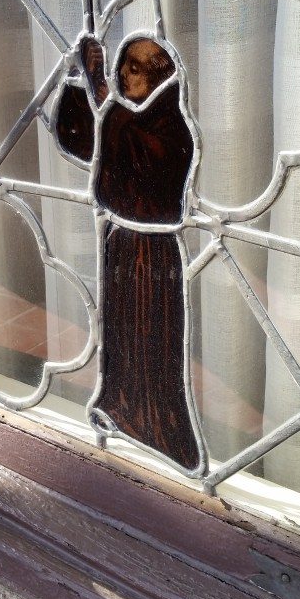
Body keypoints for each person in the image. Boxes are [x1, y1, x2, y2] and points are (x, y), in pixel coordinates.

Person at [55, 35, 202, 472]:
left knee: (151, 340)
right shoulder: (128, 118)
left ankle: (159, 429)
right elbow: (87, 143)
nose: (123, 76)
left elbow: (140, 154)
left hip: (153, 254)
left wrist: (101, 90)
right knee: (121, 336)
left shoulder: (171, 126)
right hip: (121, 244)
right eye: (123, 67)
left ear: (161, 77)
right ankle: (119, 407)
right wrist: (81, 80)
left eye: (134, 69)